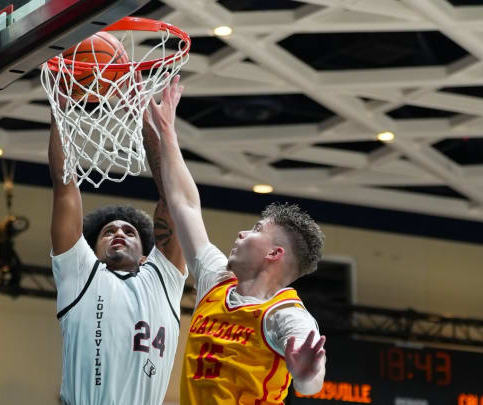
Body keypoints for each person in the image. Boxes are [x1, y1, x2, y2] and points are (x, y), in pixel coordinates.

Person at [146, 75, 327, 404]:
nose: (243, 233)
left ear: (274, 253)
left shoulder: (285, 315)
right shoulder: (216, 280)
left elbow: (311, 379)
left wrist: (305, 374)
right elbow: (185, 205)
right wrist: (168, 133)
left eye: (257, 230)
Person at [48, 102, 187, 405]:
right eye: (108, 232)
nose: (119, 233)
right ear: (93, 251)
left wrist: (150, 123)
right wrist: (60, 110)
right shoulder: (81, 273)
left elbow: (172, 199)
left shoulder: (163, 280)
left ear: (145, 256)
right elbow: (64, 185)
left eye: (129, 231)